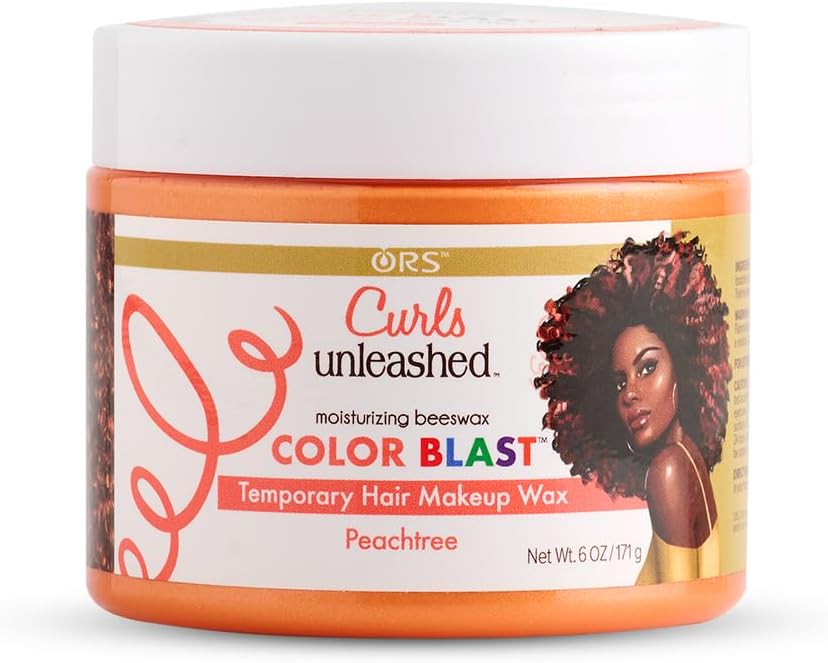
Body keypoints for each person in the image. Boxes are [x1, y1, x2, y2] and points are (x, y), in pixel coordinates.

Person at [534, 232, 731, 584]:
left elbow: (673, 602)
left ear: (684, 367)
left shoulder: (667, 469)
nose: (629, 394)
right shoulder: (688, 460)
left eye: (648, 367)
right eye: (619, 383)